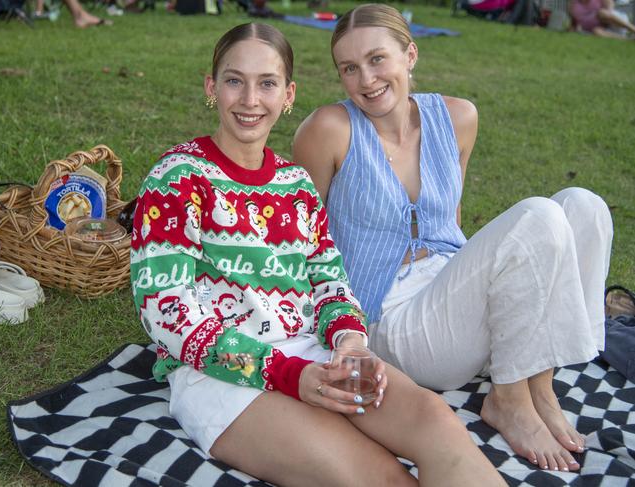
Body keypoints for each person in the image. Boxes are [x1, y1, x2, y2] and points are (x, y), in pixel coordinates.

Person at [131, 22, 506, 487]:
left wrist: (350, 342)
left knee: (436, 423)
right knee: (375, 477)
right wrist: (289, 374)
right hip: (220, 376)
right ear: (212, 88)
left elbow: (331, 280)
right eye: (234, 80)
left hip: (314, 352)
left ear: (288, 95)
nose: (250, 99)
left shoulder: (296, 185)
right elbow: (163, 312)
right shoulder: (178, 178)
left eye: (267, 83)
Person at [293, 3, 613, 473]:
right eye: (350, 68)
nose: (366, 79)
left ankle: (538, 387)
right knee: (538, 216)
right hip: (391, 319)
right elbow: (300, 239)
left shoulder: (458, 117)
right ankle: (506, 399)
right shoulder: (328, 129)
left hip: (454, 302)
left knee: (584, 206)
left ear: (410, 55)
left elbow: (452, 221)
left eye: (378, 59)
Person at [569, 0, 635, 39]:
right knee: (596, 31)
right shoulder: (573, 4)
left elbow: (609, 10)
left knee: (602, 13)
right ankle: (629, 40)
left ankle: (633, 29)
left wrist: (603, 19)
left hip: (615, 23)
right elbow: (574, 22)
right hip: (598, 29)